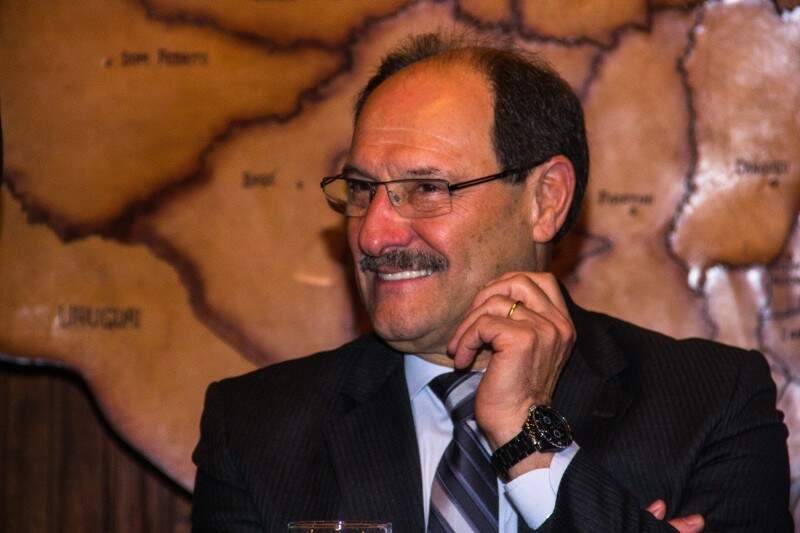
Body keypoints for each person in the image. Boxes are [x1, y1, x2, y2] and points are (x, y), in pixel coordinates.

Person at [191, 33, 792, 532]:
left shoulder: (711, 404)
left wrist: (532, 439)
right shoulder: (256, 430)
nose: (372, 235)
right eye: (363, 190)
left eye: (426, 189)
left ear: (545, 200)